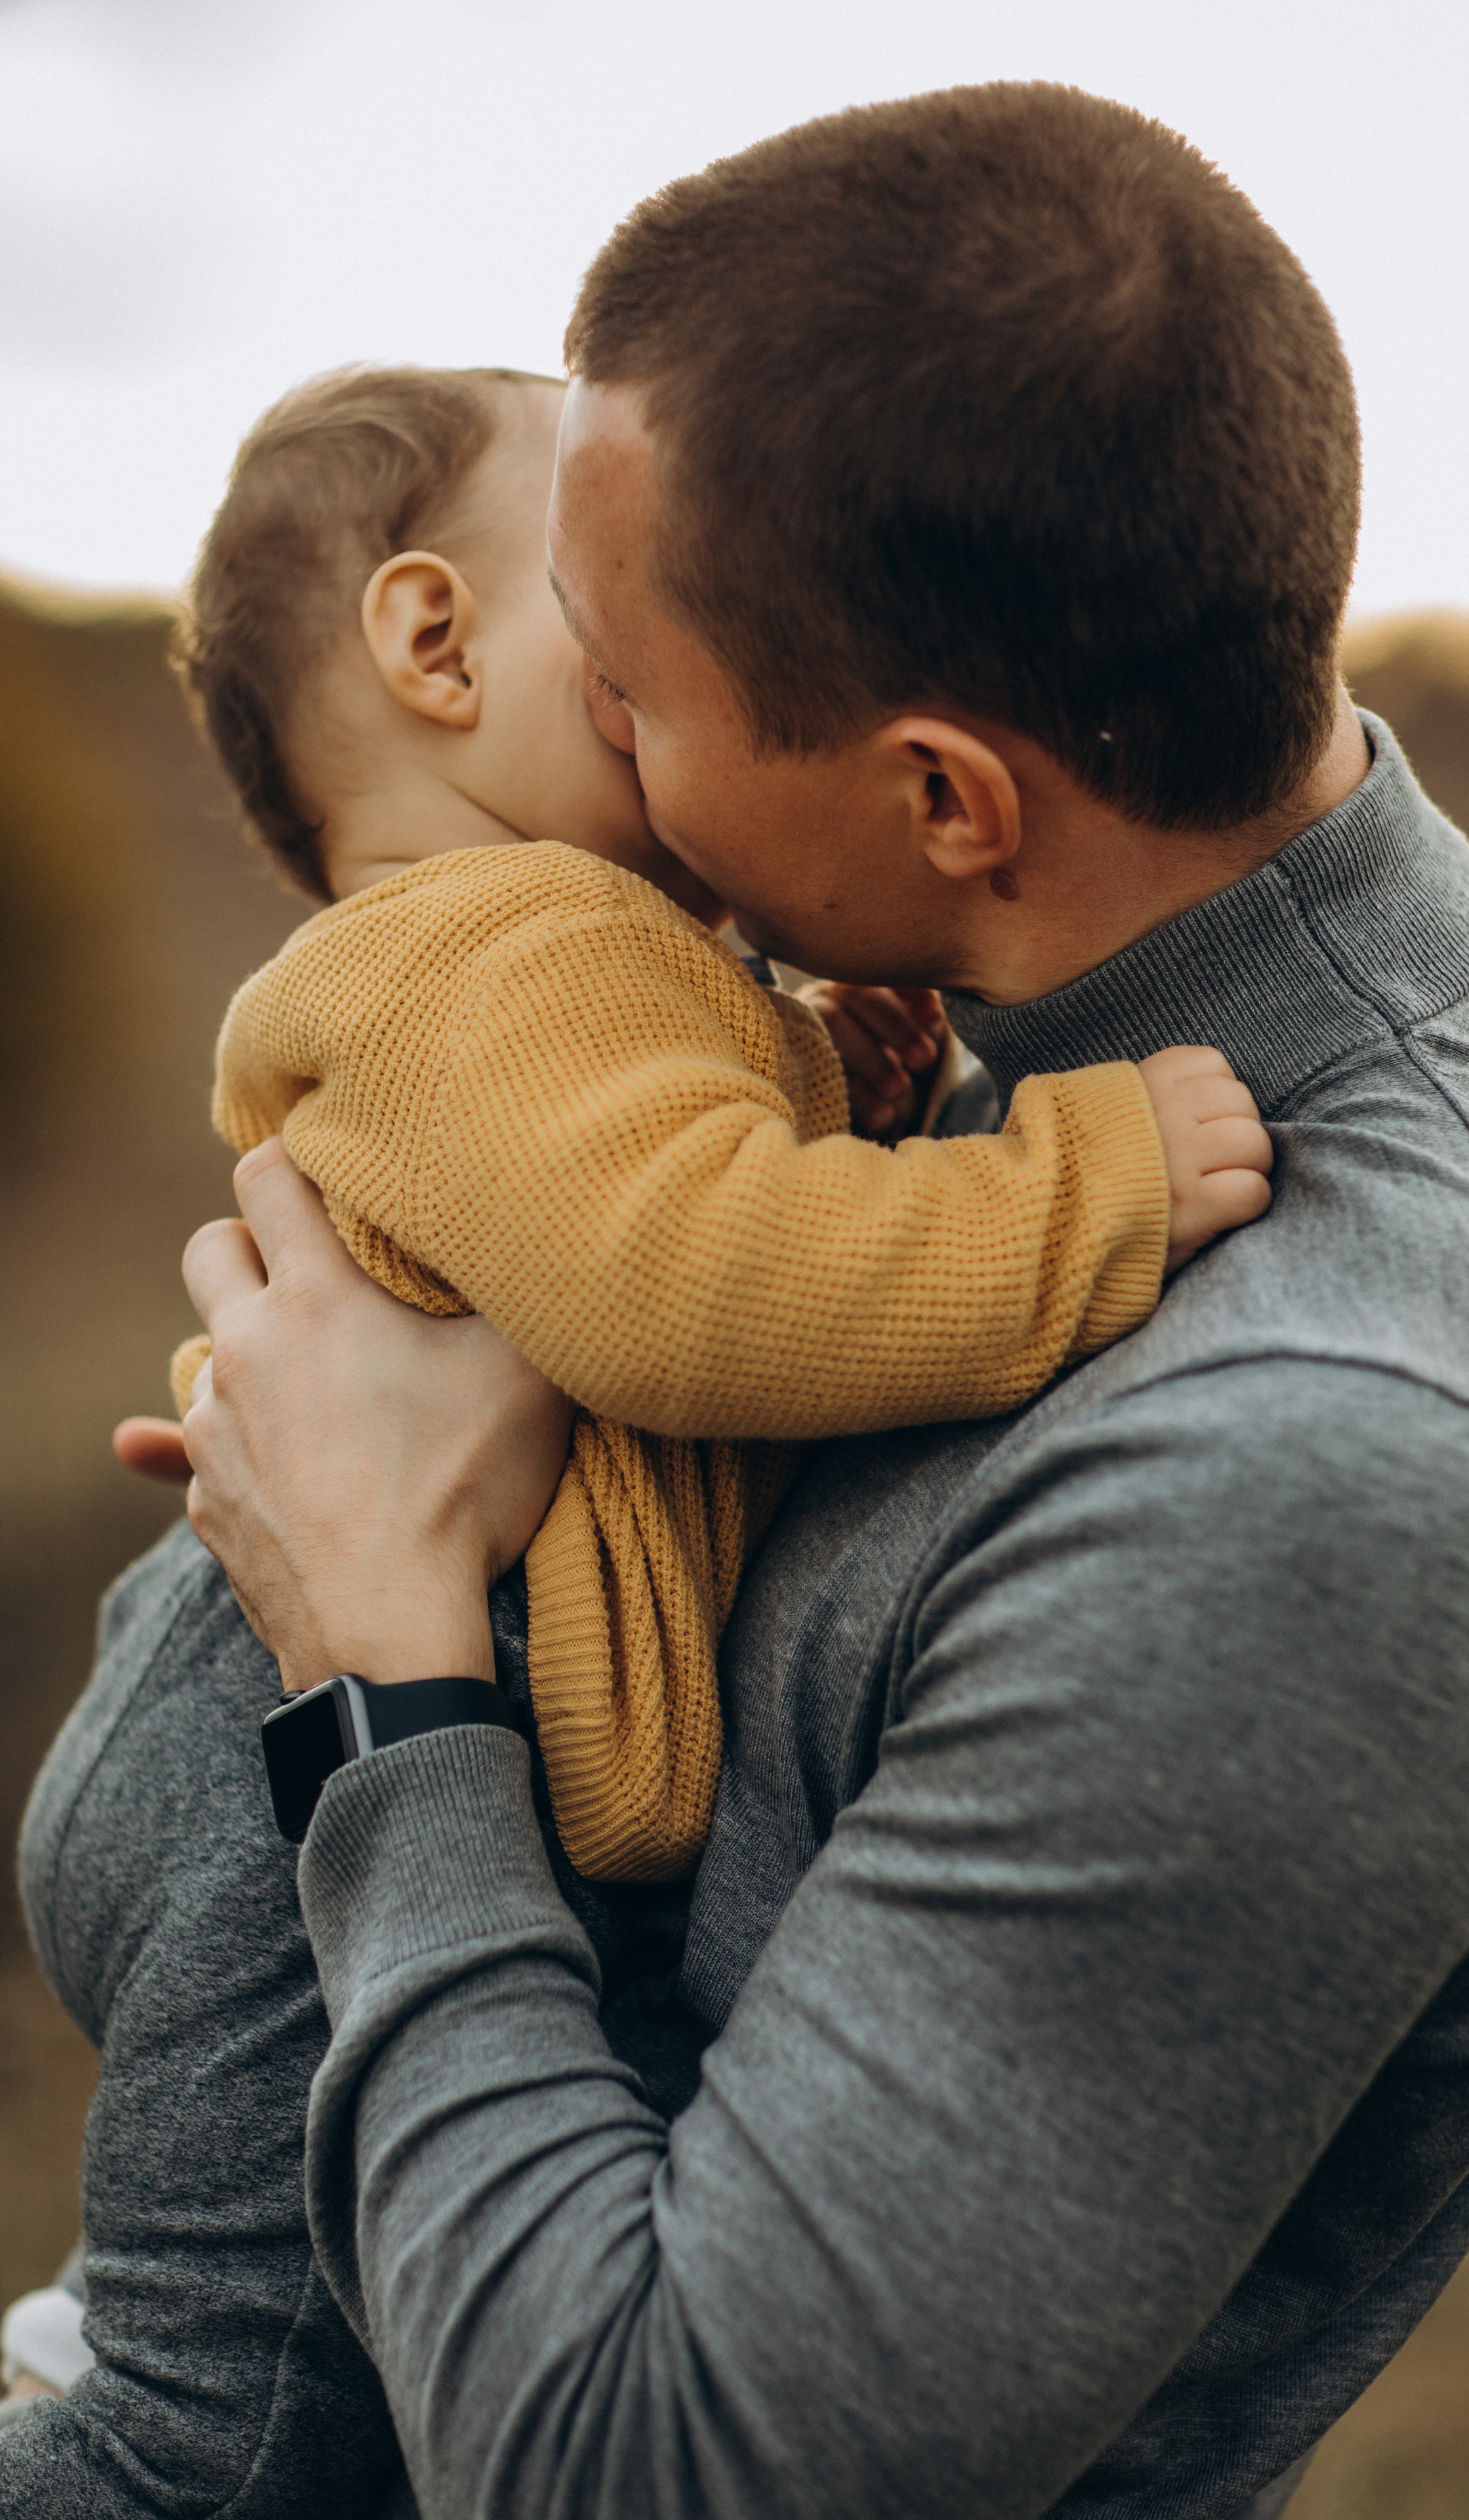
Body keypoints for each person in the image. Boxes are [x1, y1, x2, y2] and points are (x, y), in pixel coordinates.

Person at [28, 75, 1469, 2520]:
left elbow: (648, 2476)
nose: (596, 740)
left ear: (945, 798)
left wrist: (380, 1677)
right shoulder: (1058, 973)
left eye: (636, 685)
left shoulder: (1341, 1474)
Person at [1, 349, 1265, 2504]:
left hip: (231, 1694)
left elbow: (612, 1185)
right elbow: (686, 1284)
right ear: (434, 636)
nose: (701, 630)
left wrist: (814, 1072)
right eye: (620, 586)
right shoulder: (504, 953)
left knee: (224, 2328)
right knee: (220, 2446)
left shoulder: (515, 964)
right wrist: (1085, 1185)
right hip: (286, 1765)